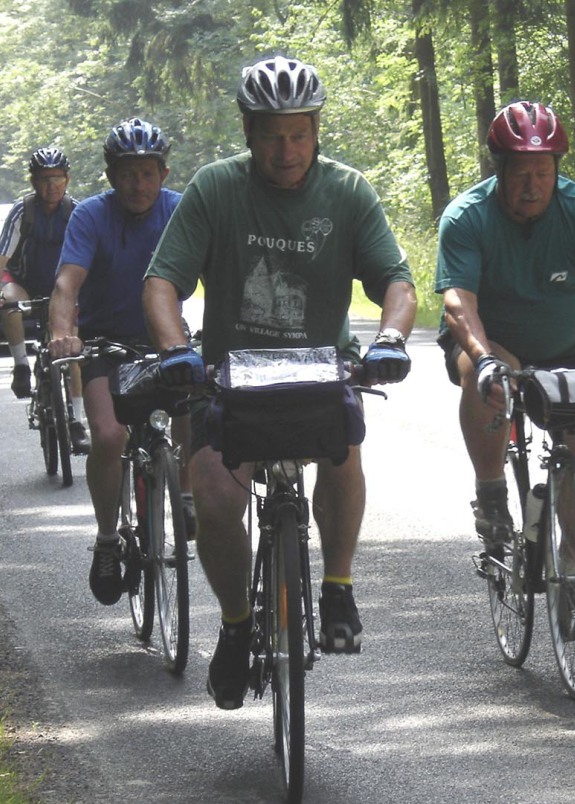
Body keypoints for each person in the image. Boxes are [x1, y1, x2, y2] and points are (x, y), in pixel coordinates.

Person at [142, 55, 416, 710]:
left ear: (316, 129)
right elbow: (162, 283)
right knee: (211, 491)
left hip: (322, 371)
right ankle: (237, 626)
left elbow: (396, 283)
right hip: (232, 378)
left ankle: (338, 586)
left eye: (298, 132)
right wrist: (177, 349)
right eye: (270, 133)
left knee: (343, 451)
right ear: (247, 130)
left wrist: (392, 339)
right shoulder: (215, 190)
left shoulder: (348, 192)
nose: (286, 148)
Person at [433, 100, 575, 552]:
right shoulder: (467, 216)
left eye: (542, 172)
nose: (532, 185)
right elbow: (459, 301)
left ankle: (573, 567)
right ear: (500, 170)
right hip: (489, 339)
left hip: (564, 348)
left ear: (556, 169)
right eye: (520, 173)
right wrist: (481, 360)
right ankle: (492, 491)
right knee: (488, 379)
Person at [47, 117, 190, 607]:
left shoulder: (180, 211)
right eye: (128, 173)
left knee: (199, 405)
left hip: (165, 340)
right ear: (111, 176)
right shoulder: (90, 216)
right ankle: (108, 538)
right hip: (105, 344)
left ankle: (186, 496)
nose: (138, 184)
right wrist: (65, 334)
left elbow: (218, 268)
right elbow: (67, 284)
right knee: (109, 436)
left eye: (148, 173)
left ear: (164, 174)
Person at [0, 147, 90, 451]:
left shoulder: (77, 211)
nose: (51, 186)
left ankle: (77, 422)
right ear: (33, 182)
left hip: (64, 288)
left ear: (67, 179)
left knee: (72, 347)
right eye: (44, 179)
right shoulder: (23, 211)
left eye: (57, 178)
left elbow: (93, 258)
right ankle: (20, 366)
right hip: (25, 282)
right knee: (9, 301)